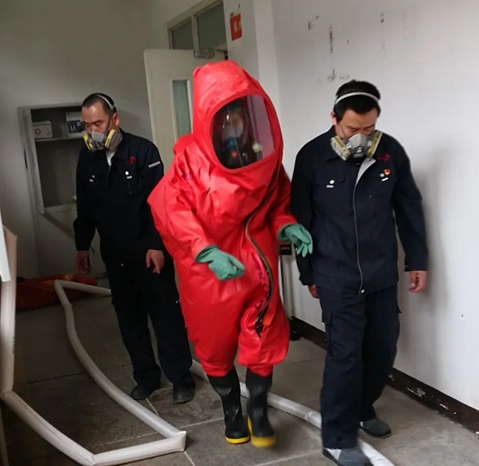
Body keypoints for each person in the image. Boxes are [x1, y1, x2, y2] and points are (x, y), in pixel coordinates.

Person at [148, 61, 313, 448]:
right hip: (210, 275)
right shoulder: (189, 164)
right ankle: (231, 410)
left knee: (264, 337)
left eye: (240, 115)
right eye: (224, 117)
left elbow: (278, 199)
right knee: (214, 347)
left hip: (257, 265)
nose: (233, 125)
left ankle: (258, 408)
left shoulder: (262, 156)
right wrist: (205, 251)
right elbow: (170, 210)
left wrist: (286, 224)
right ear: (208, 118)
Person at [291, 81, 428, 466]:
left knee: (383, 347)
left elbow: (409, 207)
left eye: (369, 128)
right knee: (345, 354)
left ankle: (363, 406)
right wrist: (308, 273)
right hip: (335, 273)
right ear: (334, 119)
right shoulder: (312, 156)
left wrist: (417, 260)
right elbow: (300, 219)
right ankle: (337, 438)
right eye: (353, 128)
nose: (361, 137)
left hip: (381, 271)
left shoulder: (389, 152)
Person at [73, 93, 196, 404]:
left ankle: (180, 378)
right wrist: (82, 245)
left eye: (98, 123)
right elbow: (85, 206)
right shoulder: (87, 158)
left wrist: (156, 244)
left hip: (149, 250)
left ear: (115, 119)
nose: (93, 131)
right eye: (87, 126)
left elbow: (160, 203)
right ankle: (146, 377)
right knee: (129, 318)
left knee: (165, 315)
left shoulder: (143, 151)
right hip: (115, 253)